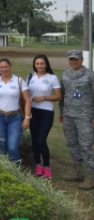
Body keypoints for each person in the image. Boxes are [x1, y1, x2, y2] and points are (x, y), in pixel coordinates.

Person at [0, 58, 31, 164]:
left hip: (15, 118)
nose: (4, 69)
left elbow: (27, 100)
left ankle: (16, 171)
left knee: (12, 147)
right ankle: (5, 171)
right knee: (2, 147)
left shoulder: (19, 81)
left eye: (6, 66)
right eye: (1, 67)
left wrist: (27, 118)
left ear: (10, 67)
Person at [60, 50, 94, 189]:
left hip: (85, 116)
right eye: (71, 59)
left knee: (86, 145)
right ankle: (77, 170)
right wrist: (62, 112)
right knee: (72, 143)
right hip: (68, 115)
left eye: (76, 59)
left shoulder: (90, 75)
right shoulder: (65, 75)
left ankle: (91, 175)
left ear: (82, 59)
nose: (74, 62)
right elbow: (62, 95)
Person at [27, 54, 61, 178]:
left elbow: (58, 96)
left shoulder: (52, 78)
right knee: (34, 141)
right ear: (34, 65)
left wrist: (44, 97)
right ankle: (38, 166)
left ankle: (47, 166)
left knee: (41, 140)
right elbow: (26, 95)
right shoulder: (30, 76)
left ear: (46, 64)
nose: (39, 66)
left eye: (42, 63)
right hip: (32, 112)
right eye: (37, 64)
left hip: (46, 112)